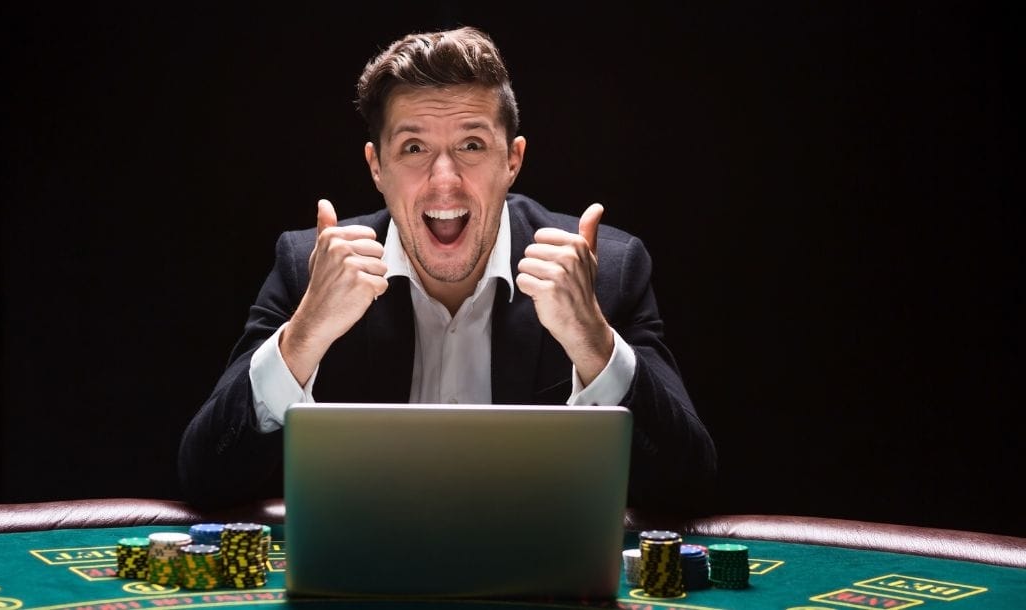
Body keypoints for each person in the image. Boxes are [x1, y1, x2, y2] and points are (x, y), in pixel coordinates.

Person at [178, 25, 717, 512]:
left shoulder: (608, 271)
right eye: (414, 147)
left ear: (513, 161)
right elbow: (207, 478)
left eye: (471, 145)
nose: (444, 181)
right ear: (377, 167)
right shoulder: (309, 270)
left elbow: (687, 484)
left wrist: (593, 342)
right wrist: (304, 336)